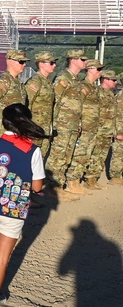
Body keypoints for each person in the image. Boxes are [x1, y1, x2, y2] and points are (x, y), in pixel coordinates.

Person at [0, 104, 49, 307]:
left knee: (0, 249)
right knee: (0, 259)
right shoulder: (32, 150)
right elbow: (37, 186)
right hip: (12, 209)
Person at [46, 49, 88, 197]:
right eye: (83, 59)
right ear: (74, 60)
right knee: (58, 156)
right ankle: (53, 188)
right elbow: (54, 101)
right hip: (62, 125)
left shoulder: (76, 80)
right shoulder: (63, 78)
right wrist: (54, 124)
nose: (85, 62)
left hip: (72, 125)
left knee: (67, 156)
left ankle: (61, 186)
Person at [85, 70, 118, 189]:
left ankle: (94, 178)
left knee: (101, 156)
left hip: (108, 131)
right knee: (95, 155)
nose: (115, 82)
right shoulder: (97, 92)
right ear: (105, 80)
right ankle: (90, 179)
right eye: (113, 80)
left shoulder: (110, 94)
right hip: (99, 130)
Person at [73, 59, 103, 191]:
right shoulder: (83, 86)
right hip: (84, 128)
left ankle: (78, 182)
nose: (100, 72)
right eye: (98, 69)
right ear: (90, 69)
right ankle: (73, 182)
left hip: (92, 128)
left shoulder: (94, 88)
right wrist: (79, 125)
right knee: (79, 155)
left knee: (86, 156)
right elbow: (77, 106)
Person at [24, 51, 57, 160]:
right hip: (35, 128)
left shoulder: (48, 82)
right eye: (51, 63)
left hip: (45, 128)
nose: (54, 65)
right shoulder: (35, 82)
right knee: (30, 158)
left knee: (40, 159)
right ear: (41, 64)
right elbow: (27, 104)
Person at [0, 49, 29, 115]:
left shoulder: (19, 82)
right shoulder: (4, 81)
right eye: (21, 62)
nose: (24, 65)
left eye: (25, 62)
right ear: (11, 62)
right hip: (5, 124)